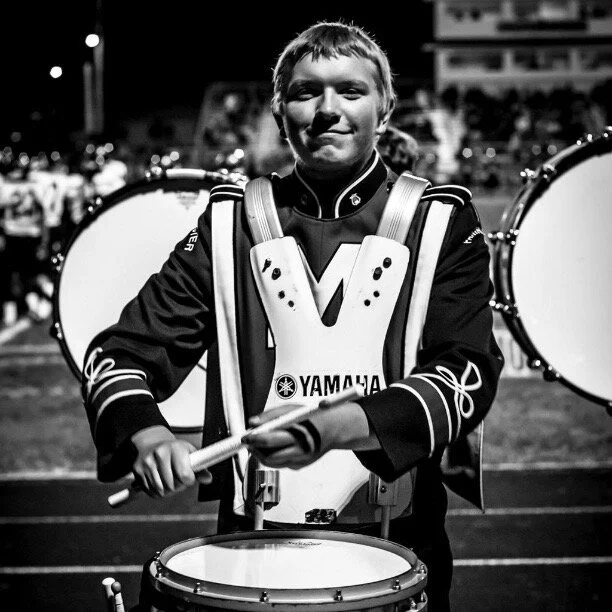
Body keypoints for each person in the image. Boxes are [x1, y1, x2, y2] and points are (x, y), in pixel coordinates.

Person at [82, 21, 504, 611]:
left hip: (400, 542)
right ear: (280, 114)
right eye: (307, 93)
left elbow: (468, 372)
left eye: (351, 91)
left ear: (385, 109)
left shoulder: (443, 222)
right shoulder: (228, 225)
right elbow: (120, 354)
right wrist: (145, 432)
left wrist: (329, 427)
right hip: (253, 546)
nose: (328, 110)